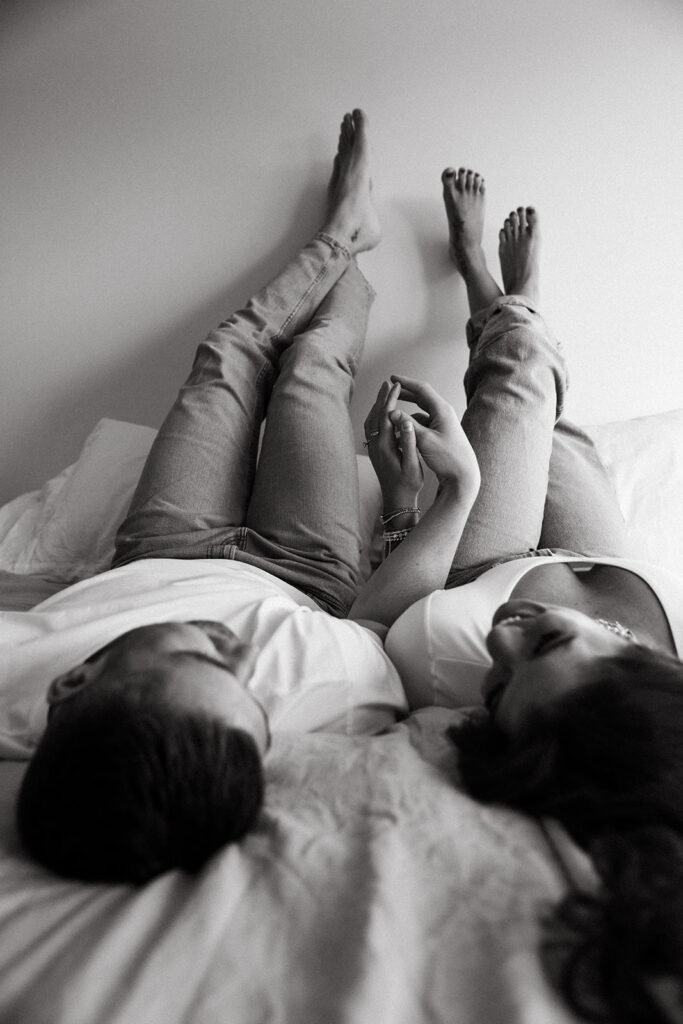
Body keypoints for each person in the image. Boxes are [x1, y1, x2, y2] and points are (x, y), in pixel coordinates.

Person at [11, 110, 480, 885]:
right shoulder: (326, 703)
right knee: (311, 369)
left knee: (227, 355)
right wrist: (404, 505)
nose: (239, 651)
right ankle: (347, 251)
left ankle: (339, 235)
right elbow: (381, 617)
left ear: (76, 682)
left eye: (201, 653)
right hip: (305, 568)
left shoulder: (18, 684)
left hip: (161, 546)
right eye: (242, 684)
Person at [365, 168, 683, 1023]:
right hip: (605, 560)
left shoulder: (445, 660)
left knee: (515, 384)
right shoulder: (655, 736)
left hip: (489, 551)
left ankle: (489, 284)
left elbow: (382, 602)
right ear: (639, 659)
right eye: (544, 647)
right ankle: (518, 303)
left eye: (497, 684)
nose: (501, 641)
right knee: (564, 430)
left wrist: (417, 507)